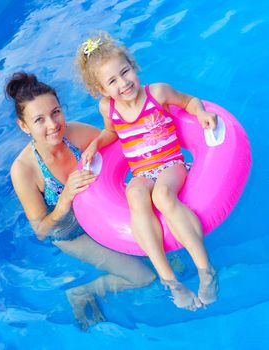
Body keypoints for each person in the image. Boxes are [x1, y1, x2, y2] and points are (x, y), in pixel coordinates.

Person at [76, 32, 218, 311]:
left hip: (170, 164)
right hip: (142, 171)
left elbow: (189, 101)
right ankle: (170, 280)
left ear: (133, 65)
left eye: (125, 72)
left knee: (163, 196)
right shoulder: (109, 107)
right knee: (135, 193)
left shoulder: (157, 93)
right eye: (112, 81)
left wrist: (200, 114)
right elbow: (110, 133)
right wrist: (95, 144)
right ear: (102, 90)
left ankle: (206, 270)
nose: (123, 83)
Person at [6, 72, 156, 330]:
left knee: (159, 246)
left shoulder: (73, 133)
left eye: (55, 112)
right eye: (39, 120)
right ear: (24, 126)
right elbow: (41, 231)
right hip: (72, 232)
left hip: (105, 214)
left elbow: (121, 145)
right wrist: (64, 200)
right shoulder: (23, 170)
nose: (53, 124)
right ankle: (84, 291)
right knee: (144, 276)